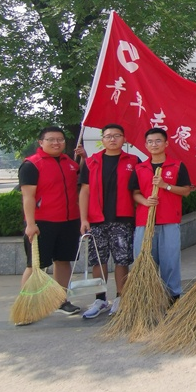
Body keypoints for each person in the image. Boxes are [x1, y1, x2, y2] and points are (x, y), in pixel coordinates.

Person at [18, 126, 82, 315]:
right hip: (41, 223)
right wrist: (30, 224)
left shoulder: (70, 163)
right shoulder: (31, 164)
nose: (56, 143)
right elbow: (27, 197)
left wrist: (84, 158)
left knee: (63, 261)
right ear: (41, 142)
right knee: (35, 265)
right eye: (51, 139)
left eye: (60, 139)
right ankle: (26, 306)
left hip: (69, 221)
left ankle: (61, 300)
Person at [78, 124, 140, 318]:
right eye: (108, 136)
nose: (112, 139)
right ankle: (101, 299)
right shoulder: (91, 162)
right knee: (99, 260)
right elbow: (84, 191)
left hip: (123, 219)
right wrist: (83, 219)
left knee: (122, 259)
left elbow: (139, 189)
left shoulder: (133, 161)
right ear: (102, 139)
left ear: (124, 139)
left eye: (117, 136)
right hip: (97, 219)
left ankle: (122, 297)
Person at [129, 128, 192, 300]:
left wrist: (166, 186)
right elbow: (135, 193)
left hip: (169, 220)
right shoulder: (140, 168)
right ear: (145, 145)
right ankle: (147, 297)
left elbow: (186, 191)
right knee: (144, 260)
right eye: (150, 141)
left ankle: (172, 296)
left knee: (170, 261)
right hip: (144, 221)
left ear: (166, 144)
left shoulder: (177, 166)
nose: (154, 144)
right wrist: (145, 201)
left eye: (158, 141)